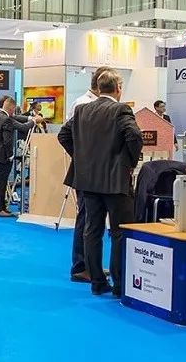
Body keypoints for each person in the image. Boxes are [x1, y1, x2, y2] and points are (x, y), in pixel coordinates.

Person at [57, 69, 143, 297]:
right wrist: (129, 163)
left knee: (92, 231)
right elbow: (135, 136)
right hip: (115, 182)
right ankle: (119, 284)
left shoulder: (82, 110)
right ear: (118, 89)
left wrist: (82, 158)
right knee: (118, 232)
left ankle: (97, 282)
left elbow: (63, 135)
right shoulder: (121, 109)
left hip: (87, 181)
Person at [65, 67, 109, 284]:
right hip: (86, 171)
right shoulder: (82, 103)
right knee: (86, 218)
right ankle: (81, 266)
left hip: (95, 171)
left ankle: (92, 265)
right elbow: (67, 135)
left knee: (92, 219)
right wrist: (81, 157)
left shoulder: (94, 103)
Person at [0, 95, 40, 217]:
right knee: (0, 183)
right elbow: (8, 140)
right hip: (2, 157)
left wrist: (30, 118)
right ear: (12, 108)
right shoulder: (6, 120)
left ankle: (1, 207)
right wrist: (10, 155)